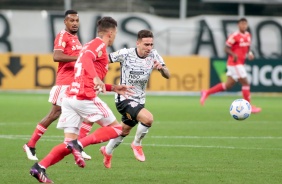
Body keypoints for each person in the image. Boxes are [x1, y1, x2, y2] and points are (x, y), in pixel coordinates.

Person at [29, 16, 134, 183]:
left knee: (67, 144)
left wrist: (112, 87)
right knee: (116, 129)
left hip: (70, 98)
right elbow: (86, 62)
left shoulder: (88, 46)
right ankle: (80, 144)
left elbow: (85, 71)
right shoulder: (98, 44)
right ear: (111, 33)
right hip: (83, 97)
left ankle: (40, 167)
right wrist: (96, 79)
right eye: (115, 33)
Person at [79, 29, 170, 168]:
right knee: (148, 119)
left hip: (140, 100)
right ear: (138, 43)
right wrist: (93, 75)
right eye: (146, 44)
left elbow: (168, 75)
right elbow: (103, 59)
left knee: (124, 130)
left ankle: (107, 151)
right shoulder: (125, 53)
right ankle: (137, 144)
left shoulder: (154, 55)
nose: (149, 48)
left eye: (151, 44)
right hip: (124, 98)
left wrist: (161, 69)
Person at [23, 10, 91, 161]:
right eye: (71, 20)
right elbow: (56, 56)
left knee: (84, 114)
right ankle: (30, 144)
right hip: (64, 83)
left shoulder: (75, 38)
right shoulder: (62, 36)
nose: (74, 23)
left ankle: (77, 145)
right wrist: (79, 57)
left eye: (76, 20)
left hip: (76, 84)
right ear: (65, 22)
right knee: (54, 113)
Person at [200, 18, 261, 114]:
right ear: (238, 25)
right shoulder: (234, 36)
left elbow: (248, 47)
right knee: (245, 83)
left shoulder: (248, 35)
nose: (244, 25)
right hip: (234, 63)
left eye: (245, 24)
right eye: (242, 24)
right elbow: (226, 48)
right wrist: (233, 54)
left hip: (240, 63)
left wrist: (250, 53)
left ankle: (206, 92)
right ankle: (249, 107)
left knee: (228, 85)